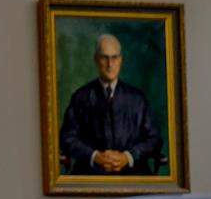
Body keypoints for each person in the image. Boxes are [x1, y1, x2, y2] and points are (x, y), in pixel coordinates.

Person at [59, 34, 162, 175]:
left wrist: (128, 157)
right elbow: (67, 138)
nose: (110, 64)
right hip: (91, 174)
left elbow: (155, 139)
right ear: (96, 60)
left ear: (121, 60)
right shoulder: (80, 97)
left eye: (114, 57)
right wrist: (95, 156)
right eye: (104, 57)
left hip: (133, 174)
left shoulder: (137, 99)